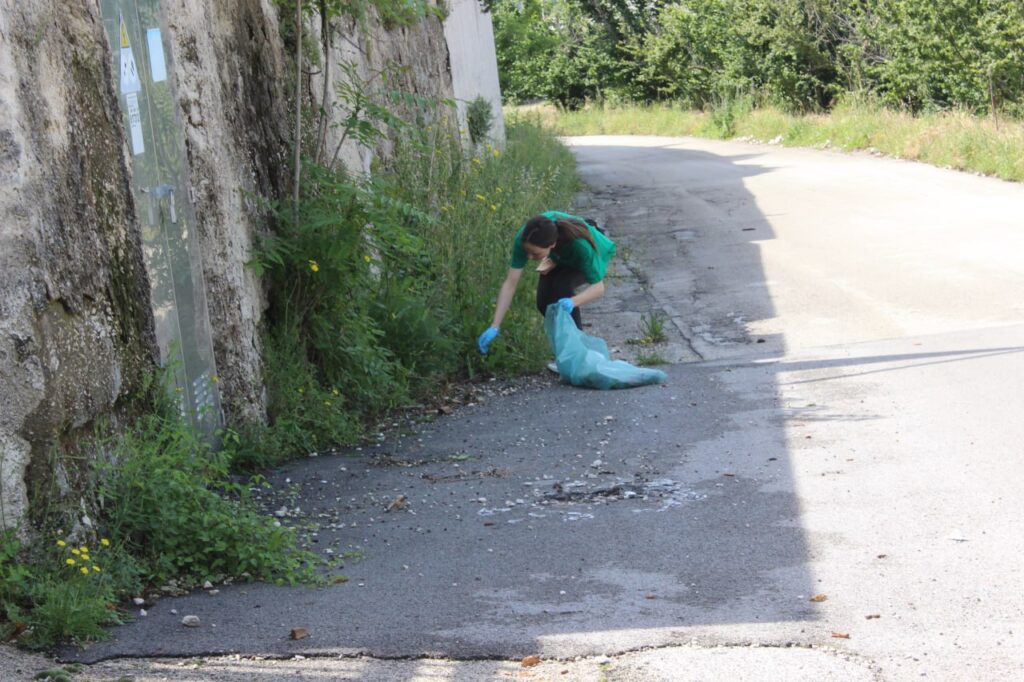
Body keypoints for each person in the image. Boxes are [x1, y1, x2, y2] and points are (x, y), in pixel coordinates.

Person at [477, 210, 616, 363]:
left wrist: (573, 302)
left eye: (535, 254)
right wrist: (495, 325)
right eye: (528, 252)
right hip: (559, 256)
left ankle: (578, 353)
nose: (529, 257)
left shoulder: (581, 246)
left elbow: (598, 288)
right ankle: (564, 352)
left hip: (591, 253)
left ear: (552, 244)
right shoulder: (525, 240)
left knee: (562, 286)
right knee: (544, 303)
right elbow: (510, 284)